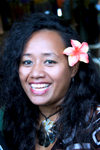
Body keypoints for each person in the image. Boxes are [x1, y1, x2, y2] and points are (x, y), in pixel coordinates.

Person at [0, 12, 100, 150]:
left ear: (73, 68)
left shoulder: (96, 123)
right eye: (27, 61)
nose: (35, 73)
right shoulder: (15, 116)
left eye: (49, 61)